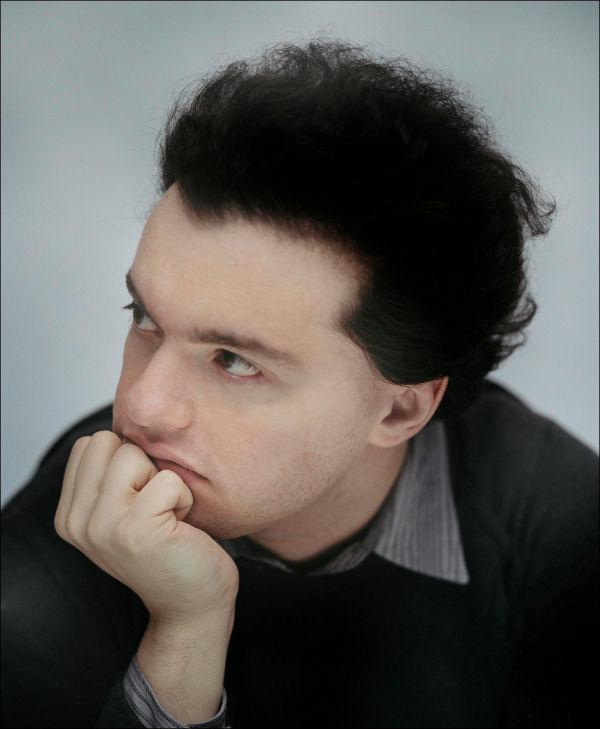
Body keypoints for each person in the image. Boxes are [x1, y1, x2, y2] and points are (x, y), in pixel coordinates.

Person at [1, 38, 597, 729]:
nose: (141, 405)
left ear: (400, 409)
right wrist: (185, 631)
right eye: (145, 318)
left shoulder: (563, 539)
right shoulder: (78, 519)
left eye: (233, 360)